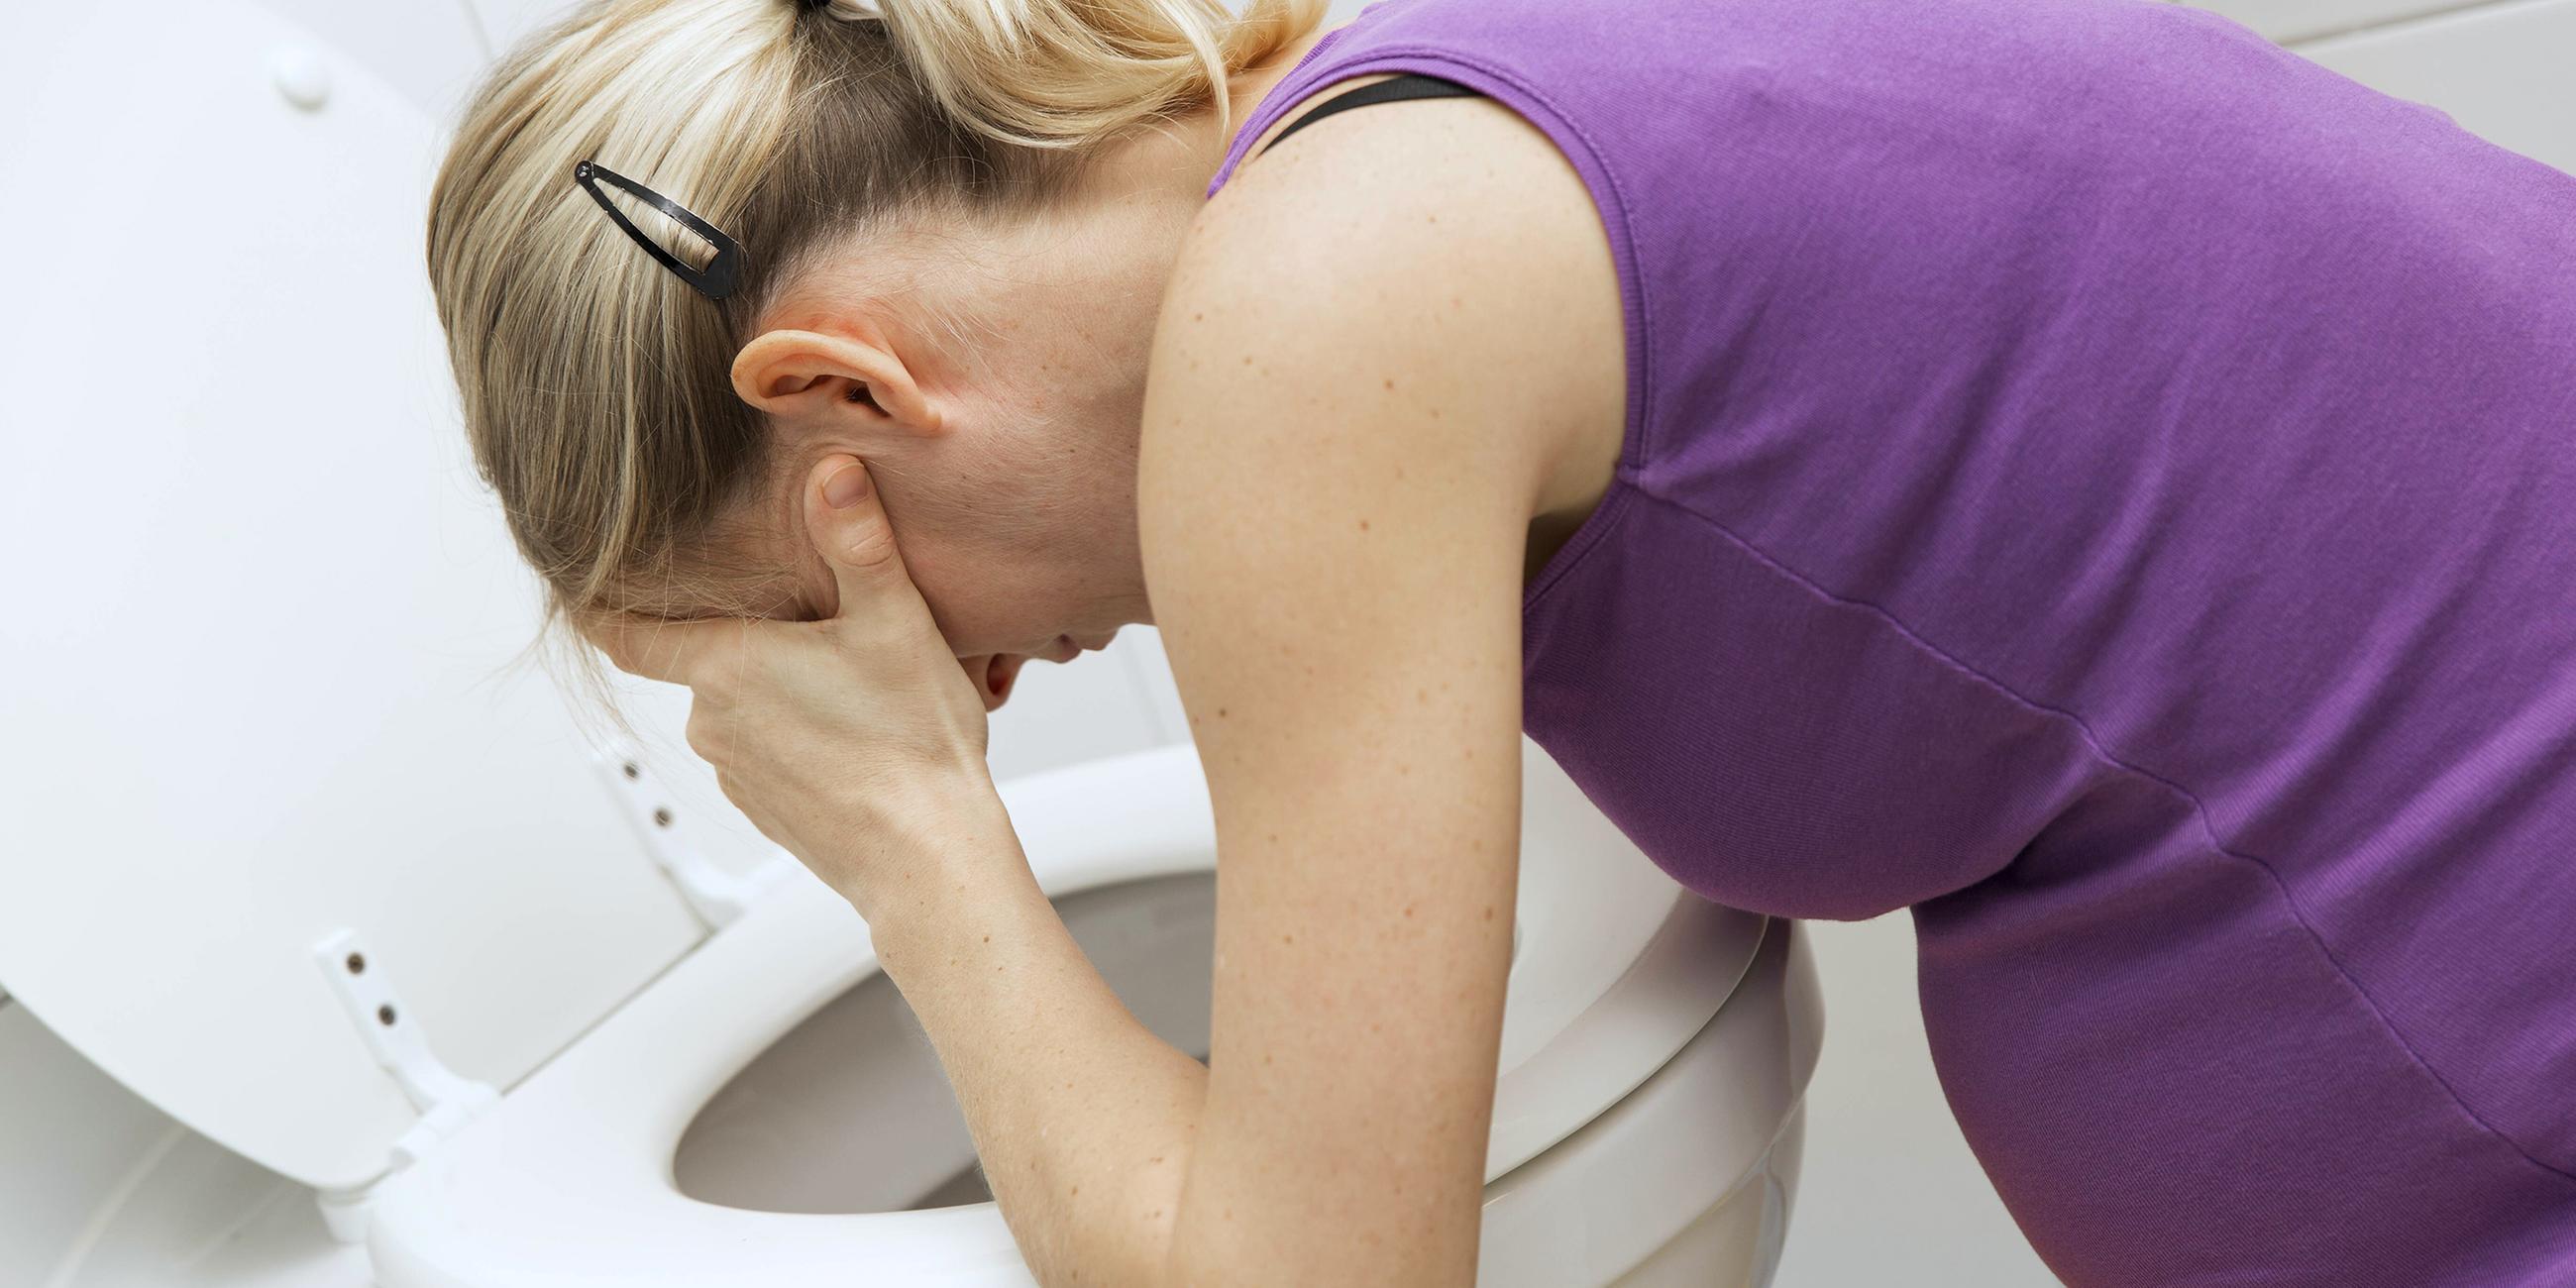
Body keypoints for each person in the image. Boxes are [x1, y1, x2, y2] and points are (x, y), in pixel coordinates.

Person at [424, 0, 2576, 1281]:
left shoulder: (1321, 309)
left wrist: (910, 831)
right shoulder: (1389, 106)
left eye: (842, 616)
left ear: (846, 394)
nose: (961, 685)